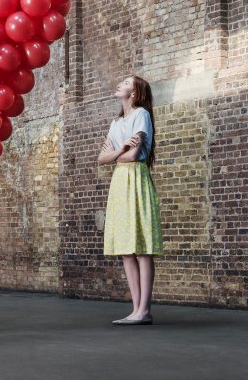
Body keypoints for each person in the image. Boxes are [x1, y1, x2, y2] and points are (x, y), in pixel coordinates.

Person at [97, 74, 163, 325]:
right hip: (120, 183)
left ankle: (144, 310)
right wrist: (121, 149)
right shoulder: (116, 122)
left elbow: (134, 156)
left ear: (134, 93)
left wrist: (119, 151)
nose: (119, 84)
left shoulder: (141, 115)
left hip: (136, 179)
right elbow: (100, 159)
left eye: (125, 83)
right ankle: (135, 309)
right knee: (126, 249)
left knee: (143, 248)